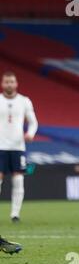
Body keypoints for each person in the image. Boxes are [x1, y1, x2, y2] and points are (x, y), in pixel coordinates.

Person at [0, 71, 38, 222]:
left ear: (16, 84)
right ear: (2, 84)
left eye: (12, 82)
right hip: (0, 146)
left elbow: (33, 122)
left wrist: (31, 133)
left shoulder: (24, 101)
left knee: (18, 180)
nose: (9, 84)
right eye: (6, 82)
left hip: (18, 147)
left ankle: (15, 214)